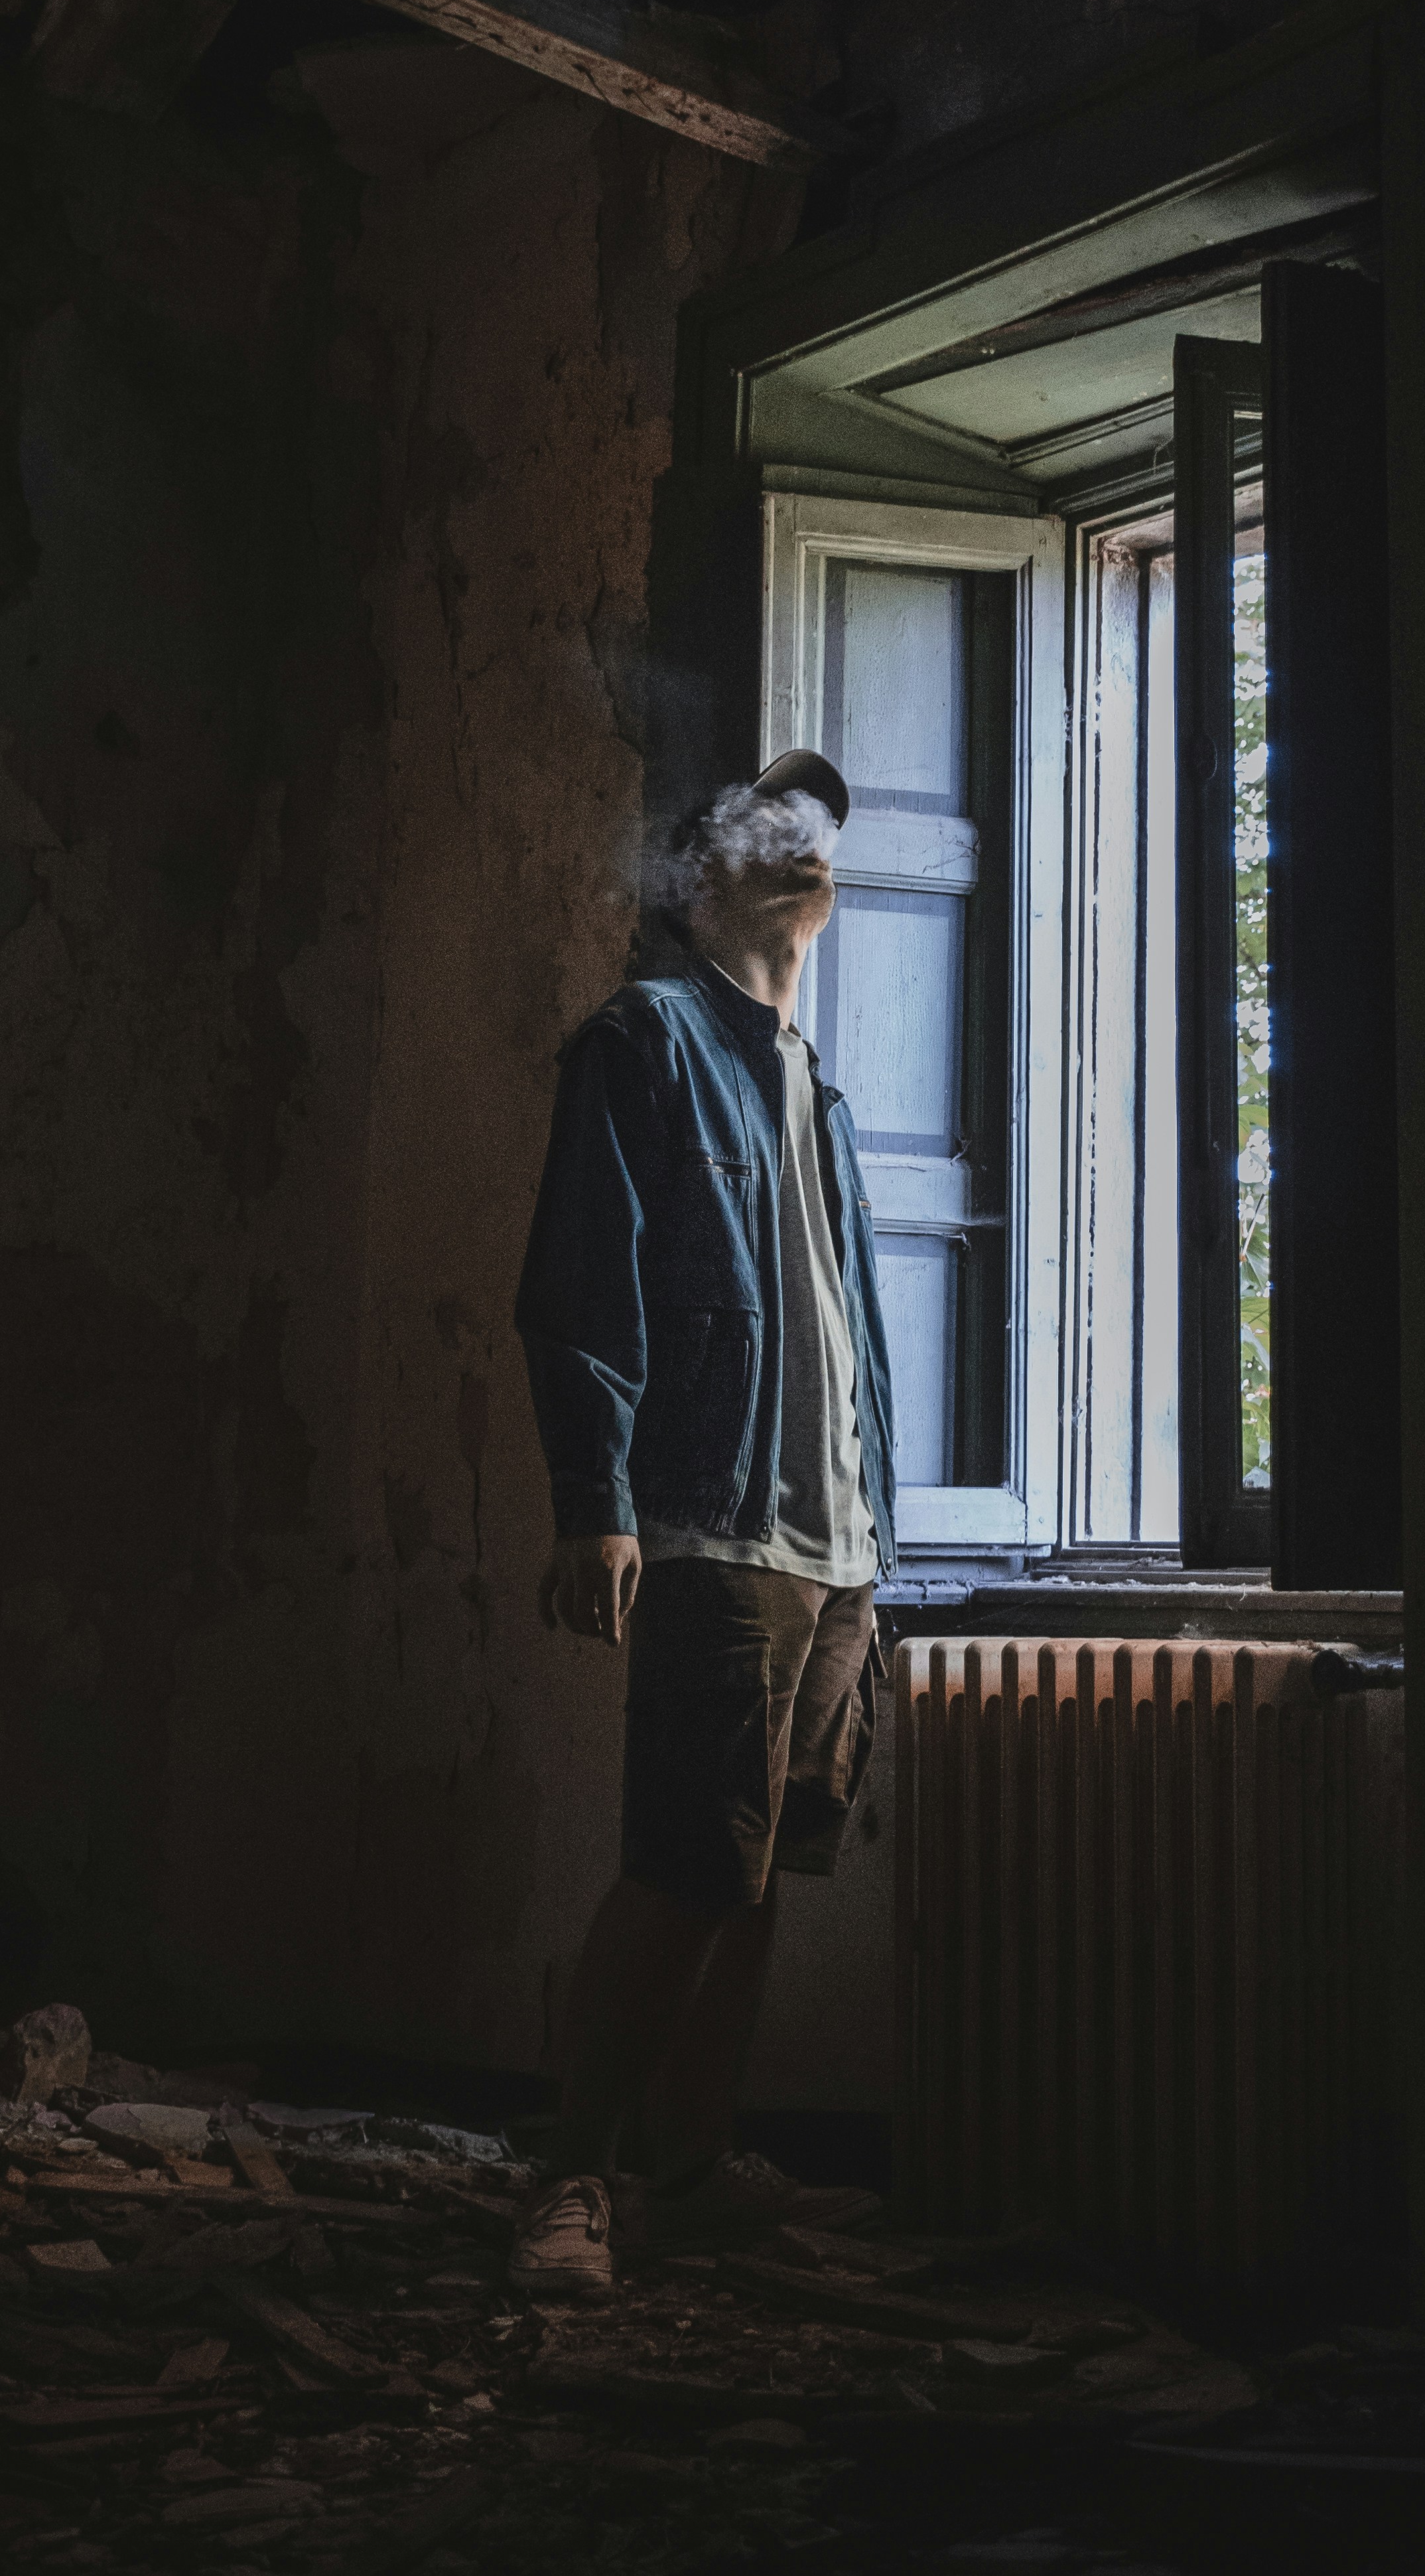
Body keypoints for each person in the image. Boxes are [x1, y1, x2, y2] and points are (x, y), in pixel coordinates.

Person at [504, 750, 897, 2300]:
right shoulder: (644, 1040)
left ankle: (681, 2169)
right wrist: (594, 1502)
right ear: (694, 883)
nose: (804, 853)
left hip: (838, 1548)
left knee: (755, 1874)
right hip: (714, 1529)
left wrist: (878, 1548)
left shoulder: (825, 1088)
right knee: (683, 1861)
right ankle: (565, 2179)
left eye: (817, 841)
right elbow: (583, 1282)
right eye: (766, 833)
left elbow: (845, 1338)